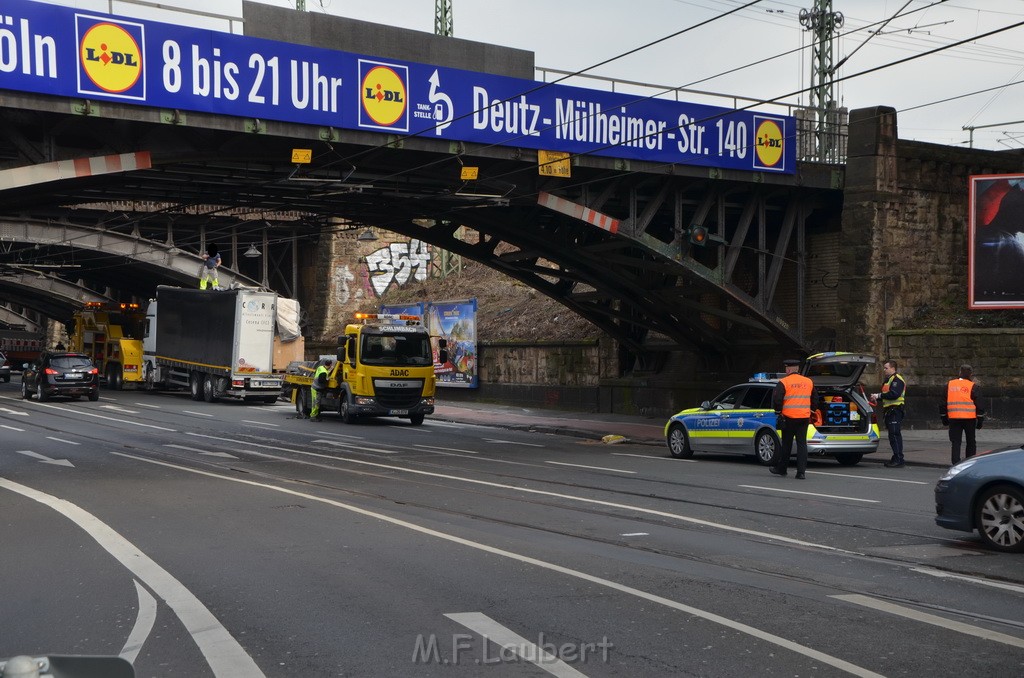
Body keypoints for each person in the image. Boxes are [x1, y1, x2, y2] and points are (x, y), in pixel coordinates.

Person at [770, 358, 824, 480]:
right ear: (798, 369)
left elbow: (777, 399)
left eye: (786, 368)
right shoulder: (808, 381)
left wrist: (778, 412)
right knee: (802, 445)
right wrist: (811, 411)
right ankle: (801, 473)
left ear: (788, 369)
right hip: (804, 418)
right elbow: (815, 398)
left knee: (787, 445)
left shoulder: (784, 382)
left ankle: (782, 469)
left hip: (788, 417)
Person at [942, 364, 983, 465]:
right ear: (971, 374)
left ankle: (956, 463)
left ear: (959, 372)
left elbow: (942, 402)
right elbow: (980, 404)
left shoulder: (950, 384)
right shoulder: (973, 386)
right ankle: (969, 463)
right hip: (969, 418)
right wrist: (980, 419)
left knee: (955, 442)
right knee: (971, 441)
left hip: (954, 418)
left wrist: (943, 416)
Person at [871, 359, 907, 468]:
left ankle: (898, 459)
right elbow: (887, 395)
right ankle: (897, 457)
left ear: (893, 368)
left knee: (894, 434)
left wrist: (879, 396)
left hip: (895, 410)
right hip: (890, 410)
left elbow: (894, 394)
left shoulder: (897, 379)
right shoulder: (889, 380)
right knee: (893, 435)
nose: (884, 370)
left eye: (886, 368)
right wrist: (878, 398)